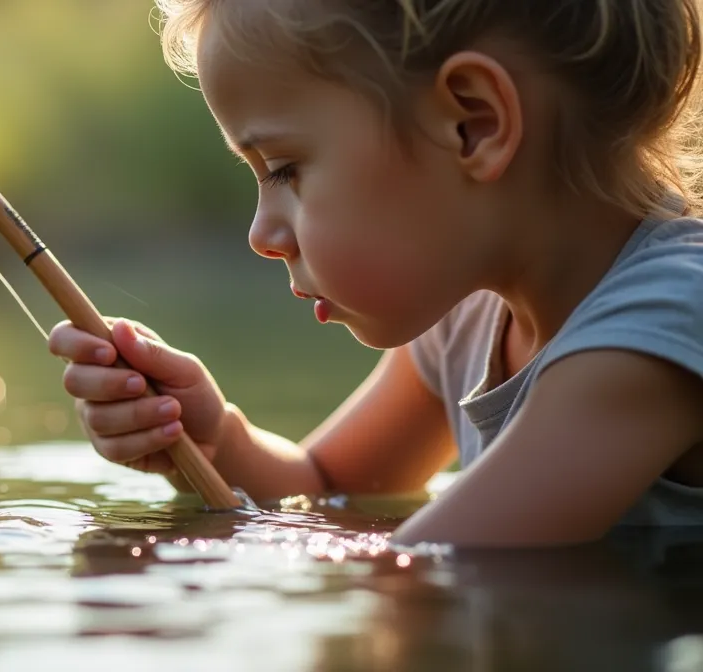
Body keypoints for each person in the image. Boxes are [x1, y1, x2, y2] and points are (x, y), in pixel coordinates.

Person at [48, 0, 703, 548]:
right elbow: (327, 483)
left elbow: (436, 568)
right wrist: (213, 439)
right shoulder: (469, 318)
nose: (261, 235)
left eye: (284, 169)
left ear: (472, 123)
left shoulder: (665, 318)